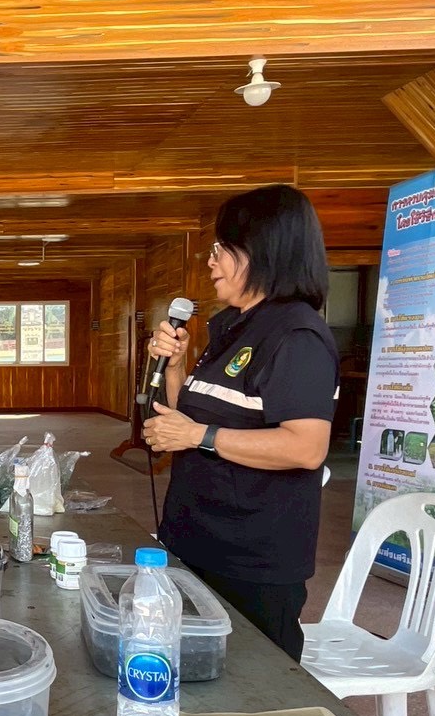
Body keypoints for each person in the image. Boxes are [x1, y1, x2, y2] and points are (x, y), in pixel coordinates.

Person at [141, 184, 339, 661]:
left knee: (256, 686)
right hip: (197, 537)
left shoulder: (297, 335)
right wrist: (175, 368)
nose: (211, 263)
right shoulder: (232, 326)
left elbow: (305, 447)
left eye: (220, 250)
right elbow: (190, 419)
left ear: (262, 251)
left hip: (251, 560)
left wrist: (198, 435)